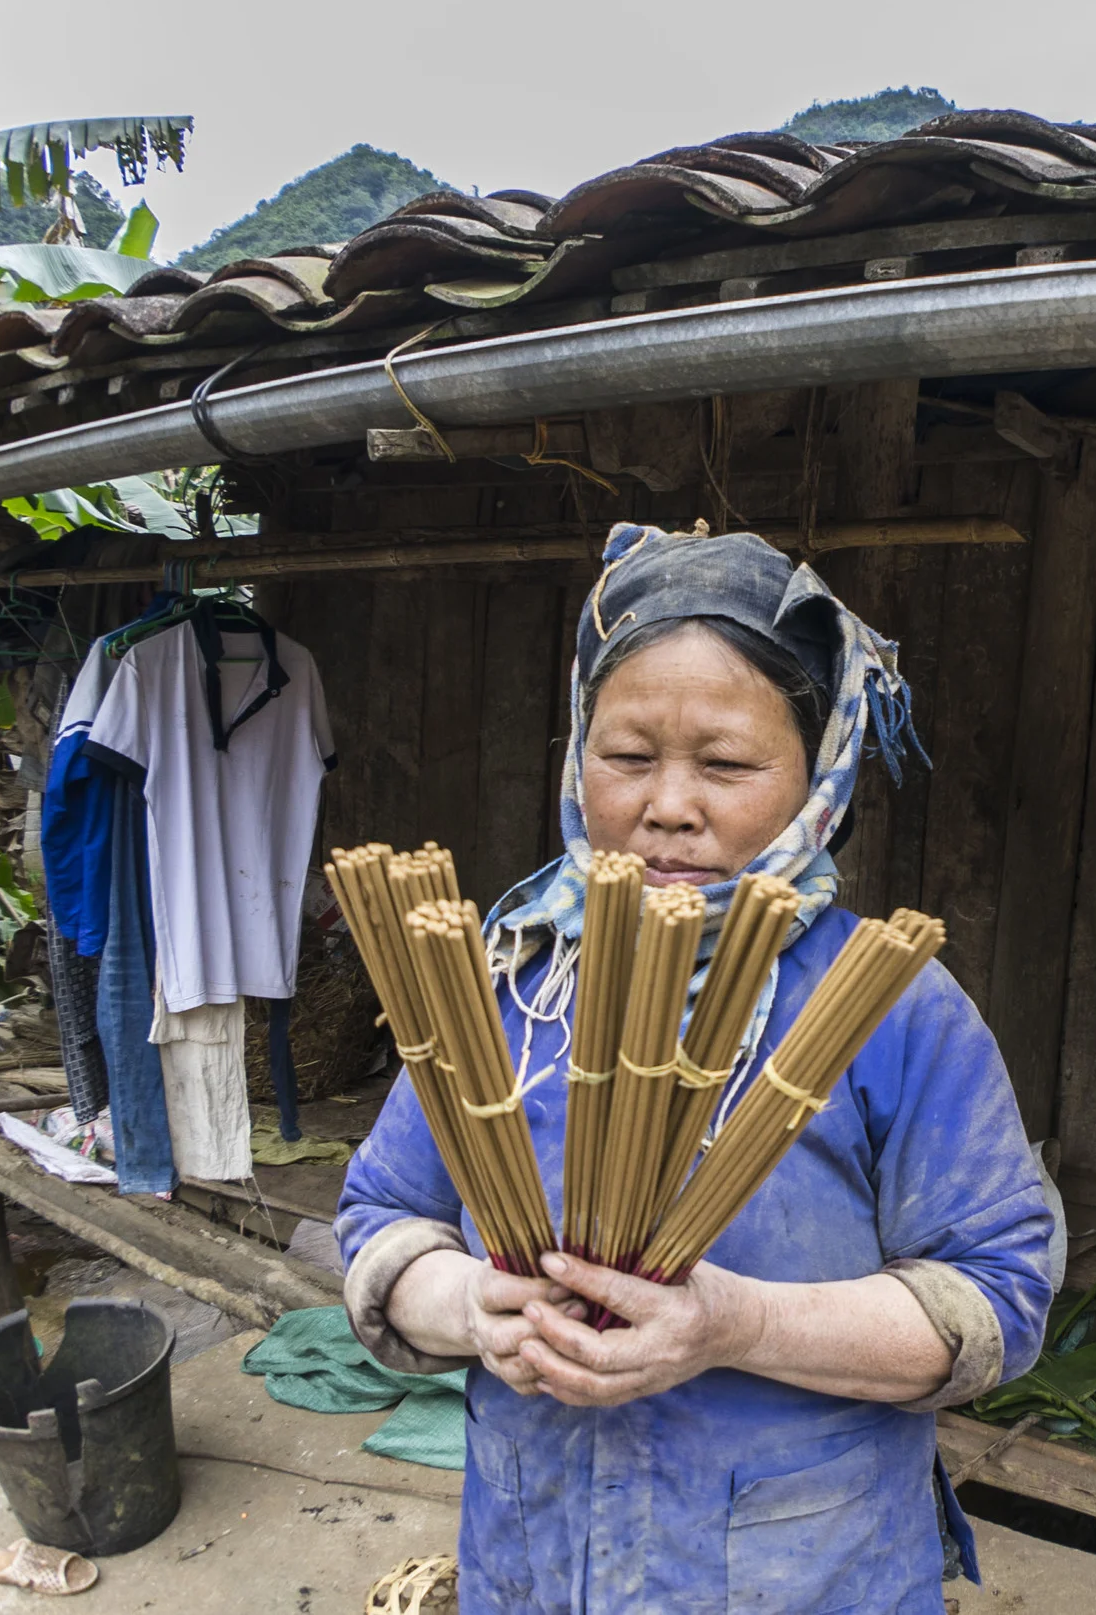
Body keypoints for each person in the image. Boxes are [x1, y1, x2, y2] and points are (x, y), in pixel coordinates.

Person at [336, 523, 1057, 1613]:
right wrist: (475, 1307)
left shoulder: (892, 1005)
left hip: (800, 1573)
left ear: (820, 772)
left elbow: (994, 1300)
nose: (669, 804)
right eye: (628, 755)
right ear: (578, 754)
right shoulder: (505, 977)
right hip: (538, 1565)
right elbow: (384, 1218)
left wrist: (734, 1323)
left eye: (724, 762)